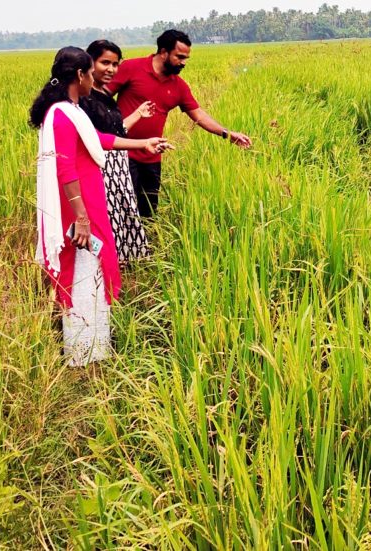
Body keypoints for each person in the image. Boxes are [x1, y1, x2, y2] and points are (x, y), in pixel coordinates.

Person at [29, 46, 170, 366]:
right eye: (91, 73)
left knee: (93, 266)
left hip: (89, 202)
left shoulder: (73, 109)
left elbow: (100, 140)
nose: (95, 79)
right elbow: (65, 169)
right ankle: (83, 352)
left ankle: (97, 343)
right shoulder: (62, 115)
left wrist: (142, 143)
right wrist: (80, 218)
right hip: (79, 209)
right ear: (80, 75)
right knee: (81, 270)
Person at [106, 29, 253, 218]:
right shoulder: (131, 68)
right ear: (164, 52)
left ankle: (144, 247)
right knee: (122, 212)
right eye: (180, 57)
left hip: (152, 158)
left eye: (186, 58)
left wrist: (227, 133)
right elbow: (100, 97)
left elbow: (198, 115)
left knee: (148, 213)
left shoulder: (179, 86)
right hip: (122, 153)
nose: (184, 62)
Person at [80, 39, 157, 265]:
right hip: (101, 168)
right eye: (105, 62)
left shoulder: (103, 93)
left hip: (119, 168)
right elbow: (97, 139)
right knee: (105, 217)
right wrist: (142, 143)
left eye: (116, 64)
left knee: (122, 214)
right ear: (90, 62)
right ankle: (100, 268)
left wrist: (138, 114)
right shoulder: (84, 98)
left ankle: (121, 266)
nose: (112, 69)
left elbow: (115, 130)